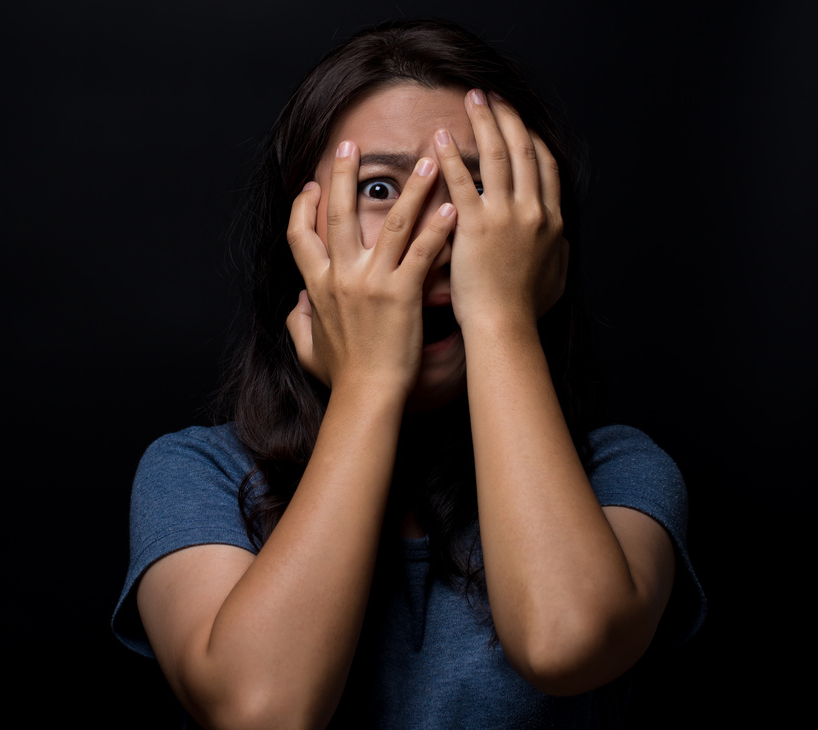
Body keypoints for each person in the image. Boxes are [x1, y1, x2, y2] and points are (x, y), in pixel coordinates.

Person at [113, 18, 704, 729]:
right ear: (298, 231)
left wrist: (499, 319)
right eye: (379, 190)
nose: (430, 232)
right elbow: (263, 711)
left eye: (478, 186)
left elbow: (564, 644)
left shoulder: (618, 472)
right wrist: (368, 385)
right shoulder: (194, 474)